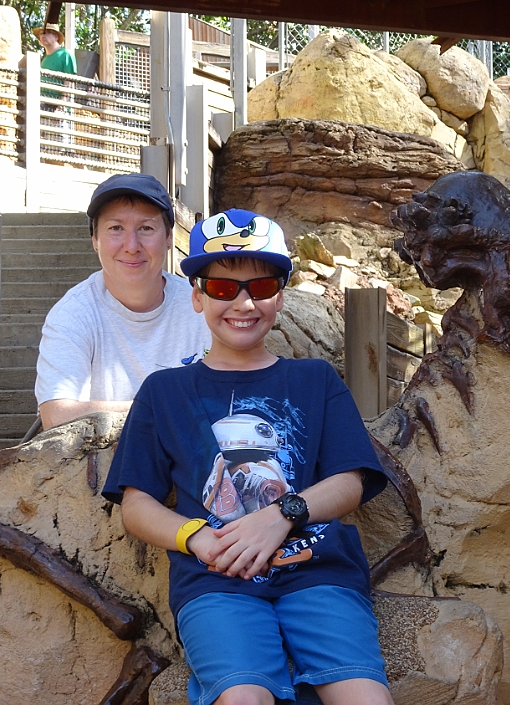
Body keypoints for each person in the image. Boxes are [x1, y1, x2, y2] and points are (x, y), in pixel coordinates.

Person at [102, 209, 394, 705]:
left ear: (280, 295)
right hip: (216, 582)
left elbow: (351, 479)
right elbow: (136, 504)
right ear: (197, 295)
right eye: (222, 288)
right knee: (242, 697)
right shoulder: (164, 391)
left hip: (318, 573)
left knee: (365, 697)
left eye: (261, 287)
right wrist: (195, 537)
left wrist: (282, 515)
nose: (243, 302)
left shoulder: (315, 379)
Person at [35, 173, 211, 430]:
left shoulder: (202, 305)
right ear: (95, 240)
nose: (131, 246)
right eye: (116, 228)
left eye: (146, 228)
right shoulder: (72, 315)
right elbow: (56, 415)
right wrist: (164, 406)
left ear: (169, 237)